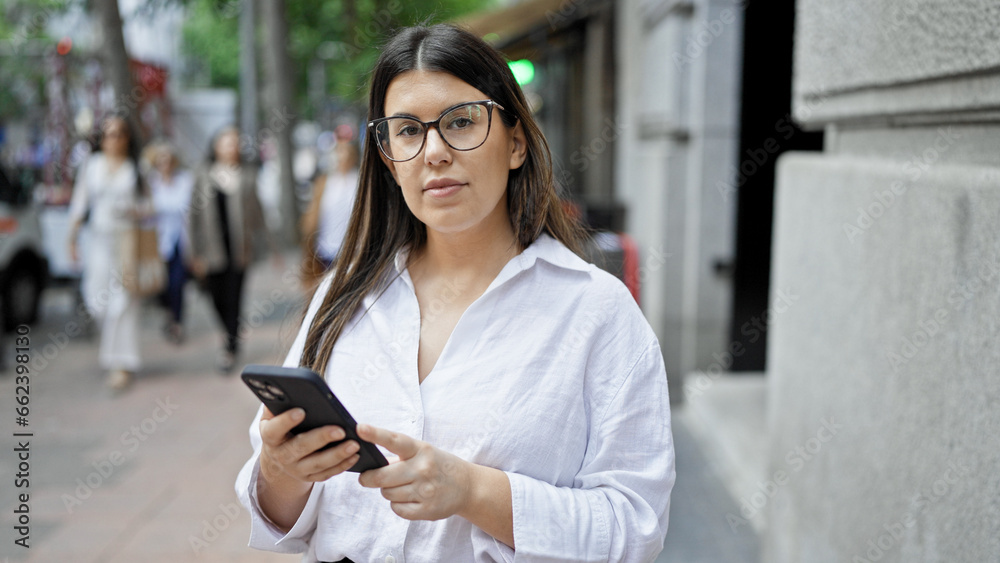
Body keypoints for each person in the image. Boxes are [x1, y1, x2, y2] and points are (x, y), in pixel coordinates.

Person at [235, 24, 675, 562]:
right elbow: (279, 515)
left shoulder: (596, 311)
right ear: (389, 157)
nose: (434, 152)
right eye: (407, 131)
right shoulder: (344, 295)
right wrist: (281, 473)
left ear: (515, 142)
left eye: (461, 122)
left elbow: (635, 528)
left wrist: (472, 491)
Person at [67, 115, 147, 391]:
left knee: (123, 300)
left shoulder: (135, 168)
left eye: (120, 133)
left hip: (127, 242)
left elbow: (149, 205)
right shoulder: (92, 165)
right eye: (109, 134)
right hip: (98, 241)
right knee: (97, 300)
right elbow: (80, 201)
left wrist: (134, 210)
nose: (115, 139)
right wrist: (72, 238)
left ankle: (121, 362)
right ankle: (113, 355)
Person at [186, 126, 271, 373]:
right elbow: (193, 216)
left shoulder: (247, 175)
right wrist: (194, 253)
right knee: (215, 296)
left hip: (239, 250)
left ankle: (230, 347)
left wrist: (269, 246)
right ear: (216, 146)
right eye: (226, 143)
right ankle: (229, 333)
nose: (231, 148)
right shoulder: (203, 174)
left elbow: (257, 212)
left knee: (234, 297)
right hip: (211, 251)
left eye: (235, 143)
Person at [148, 142, 193, 344]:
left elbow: (189, 208)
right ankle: (168, 313)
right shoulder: (151, 184)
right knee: (161, 285)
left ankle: (177, 321)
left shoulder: (185, 181)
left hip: (180, 240)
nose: (165, 164)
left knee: (177, 283)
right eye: (160, 160)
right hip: (158, 241)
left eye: (168, 159)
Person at [299, 140, 360, 289]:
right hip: (325, 252)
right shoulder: (325, 182)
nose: (343, 157)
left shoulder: (359, 182)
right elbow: (312, 216)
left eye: (347, 152)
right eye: (339, 152)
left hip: (353, 253)